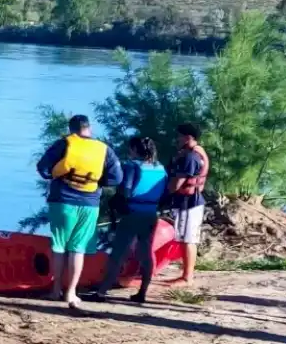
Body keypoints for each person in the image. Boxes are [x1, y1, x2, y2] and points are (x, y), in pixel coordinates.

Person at [36, 114, 123, 308]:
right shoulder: (104, 149)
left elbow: (42, 168)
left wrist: (54, 177)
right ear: (88, 128)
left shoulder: (65, 144)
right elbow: (117, 177)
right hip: (90, 203)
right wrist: (98, 183)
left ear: (71, 129)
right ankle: (71, 293)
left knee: (59, 246)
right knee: (78, 248)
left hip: (62, 202)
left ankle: (55, 290)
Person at [88, 136, 167, 303]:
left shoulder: (132, 167)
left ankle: (101, 292)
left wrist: (116, 201)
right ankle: (142, 292)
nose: (129, 152)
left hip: (132, 213)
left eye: (130, 149)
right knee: (145, 252)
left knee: (118, 253)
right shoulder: (160, 168)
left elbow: (126, 191)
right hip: (151, 214)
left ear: (135, 150)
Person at [166, 122, 208, 286]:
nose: (177, 139)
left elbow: (179, 182)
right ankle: (185, 275)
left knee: (189, 239)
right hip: (187, 201)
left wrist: (164, 194)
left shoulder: (191, 156)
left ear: (188, 137)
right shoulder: (191, 153)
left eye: (179, 136)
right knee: (184, 238)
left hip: (191, 202)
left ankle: (187, 277)